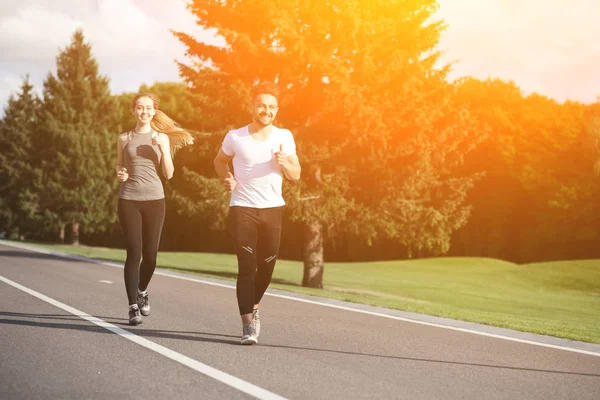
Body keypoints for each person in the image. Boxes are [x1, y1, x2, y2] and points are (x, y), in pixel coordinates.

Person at [213, 82, 301, 345]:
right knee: (247, 266)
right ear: (251, 106)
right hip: (243, 207)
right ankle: (247, 325)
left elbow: (296, 175)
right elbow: (219, 160)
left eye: (272, 107)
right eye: (262, 105)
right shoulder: (235, 137)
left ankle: (254, 306)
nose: (267, 110)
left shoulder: (284, 136)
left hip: (273, 208)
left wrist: (286, 164)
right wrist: (227, 178)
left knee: (267, 266)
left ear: (277, 110)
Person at [116, 93, 193, 325]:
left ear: (154, 111)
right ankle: (132, 307)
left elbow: (168, 174)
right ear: (133, 111)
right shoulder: (124, 138)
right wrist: (121, 174)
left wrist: (162, 147)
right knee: (134, 253)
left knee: (150, 257)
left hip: (155, 200)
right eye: (140, 108)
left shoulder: (161, 138)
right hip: (129, 199)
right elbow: (120, 168)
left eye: (148, 108)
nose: (144, 112)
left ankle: (142, 290)